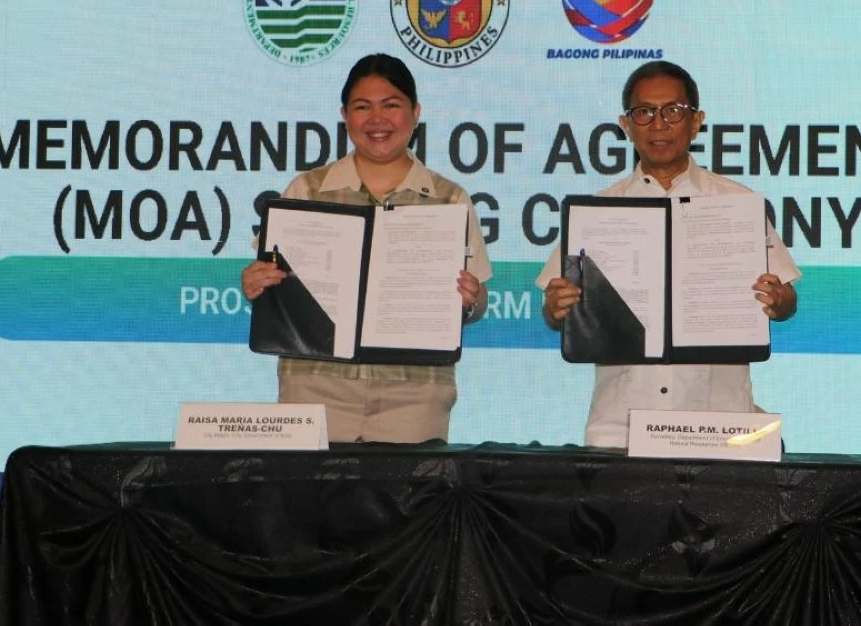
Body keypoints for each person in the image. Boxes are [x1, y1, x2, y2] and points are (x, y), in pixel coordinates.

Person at [537, 60, 799, 449]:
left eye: (673, 111)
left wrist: (779, 300)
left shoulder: (737, 204)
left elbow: (788, 300)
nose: (658, 125)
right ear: (626, 125)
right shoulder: (598, 211)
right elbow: (554, 311)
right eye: (643, 112)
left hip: (720, 427)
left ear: (696, 122)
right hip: (620, 429)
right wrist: (556, 307)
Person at [242, 53, 492, 443]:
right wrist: (257, 282)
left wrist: (472, 299)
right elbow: (273, 285)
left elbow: (478, 303)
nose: (377, 120)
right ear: (345, 114)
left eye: (391, 105)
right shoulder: (306, 190)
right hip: (315, 389)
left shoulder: (449, 199)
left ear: (415, 111)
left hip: (414, 395)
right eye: (363, 107)